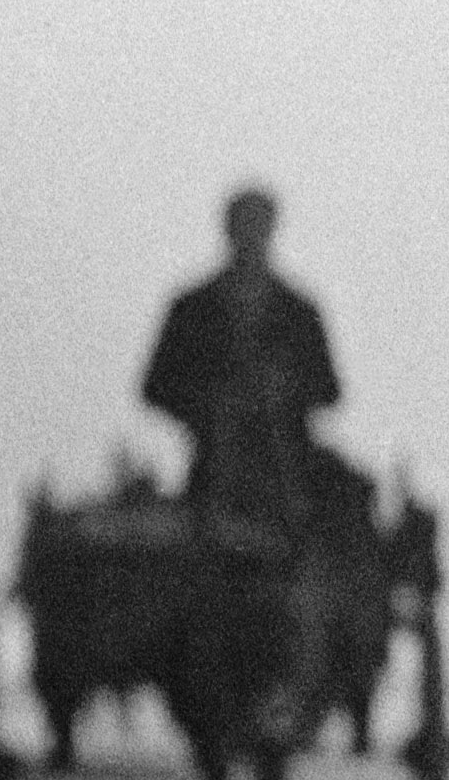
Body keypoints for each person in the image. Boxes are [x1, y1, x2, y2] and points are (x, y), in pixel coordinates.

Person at [138, 190, 344, 529]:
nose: (250, 236)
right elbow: (156, 387)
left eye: (258, 225)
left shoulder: (299, 312)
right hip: (211, 473)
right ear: (228, 230)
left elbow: (328, 390)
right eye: (244, 225)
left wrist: (281, 393)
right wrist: (210, 402)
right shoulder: (192, 310)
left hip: (289, 480)